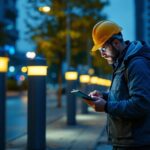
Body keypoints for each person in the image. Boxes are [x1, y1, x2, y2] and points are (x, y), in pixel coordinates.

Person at [84, 20, 150, 150]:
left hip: (136, 143)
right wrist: (104, 96)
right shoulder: (122, 63)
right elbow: (124, 94)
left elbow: (140, 104)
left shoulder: (137, 65)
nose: (102, 54)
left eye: (103, 48)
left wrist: (106, 106)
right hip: (125, 141)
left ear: (116, 43)